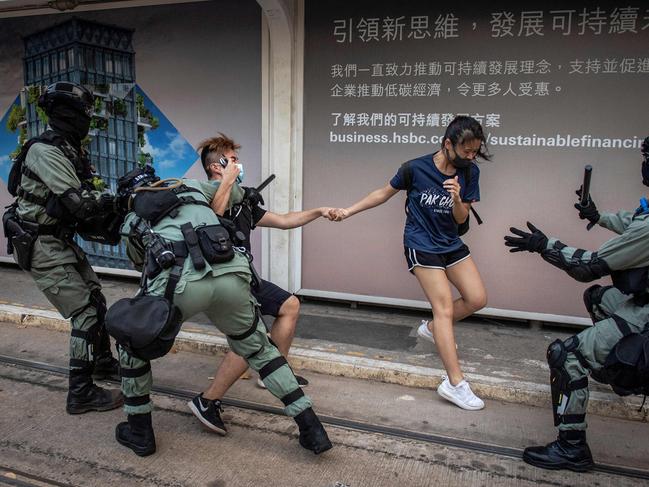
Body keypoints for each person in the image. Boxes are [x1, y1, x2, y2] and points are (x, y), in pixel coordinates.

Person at [109, 166, 332, 457]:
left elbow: (142, 265)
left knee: (132, 346)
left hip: (180, 283)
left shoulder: (132, 217)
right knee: (261, 351)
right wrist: (231, 185)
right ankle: (311, 429)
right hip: (231, 274)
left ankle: (140, 433)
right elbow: (236, 196)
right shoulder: (191, 186)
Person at [504, 137, 649, 472]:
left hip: (645, 316)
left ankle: (572, 448)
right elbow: (633, 222)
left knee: (566, 354)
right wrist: (598, 216)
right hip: (640, 303)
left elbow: (588, 266)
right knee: (599, 299)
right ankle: (622, 364)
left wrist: (543, 245)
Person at [329, 115, 489, 411]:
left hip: (450, 242)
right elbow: (383, 193)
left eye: (475, 151)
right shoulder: (415, 168)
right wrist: (349, 211)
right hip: (420, 243)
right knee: (443, 309)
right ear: (447, 144)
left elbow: (461, 218)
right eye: (466, 151)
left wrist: (456, 198)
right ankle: (454, 384)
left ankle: (431, 329)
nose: (471, 156)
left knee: (477, 298)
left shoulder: (470, 173)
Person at [187, 133, 334, 435]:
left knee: (289, 305)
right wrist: (227, 180)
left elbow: (283, 219)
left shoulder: (243, 203)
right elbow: (212, 218)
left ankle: (270, 373)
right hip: (218, 284)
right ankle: (207, 401)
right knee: (251, 337)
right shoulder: (200, 198)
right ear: (219, 166)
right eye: (233, 160)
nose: (239, 164)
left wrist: (318, 212)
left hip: (242, 278)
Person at [2, 81, 122, 414]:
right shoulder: (46, 150)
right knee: (83, 312)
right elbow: (79, 204)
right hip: (41, 244)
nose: (86, 121)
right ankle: (80, 392)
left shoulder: (69, 149)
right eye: (83, 114)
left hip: (58, 240)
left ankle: (102, 363)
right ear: (67, 114)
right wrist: (118, 200)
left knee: (95, 300)